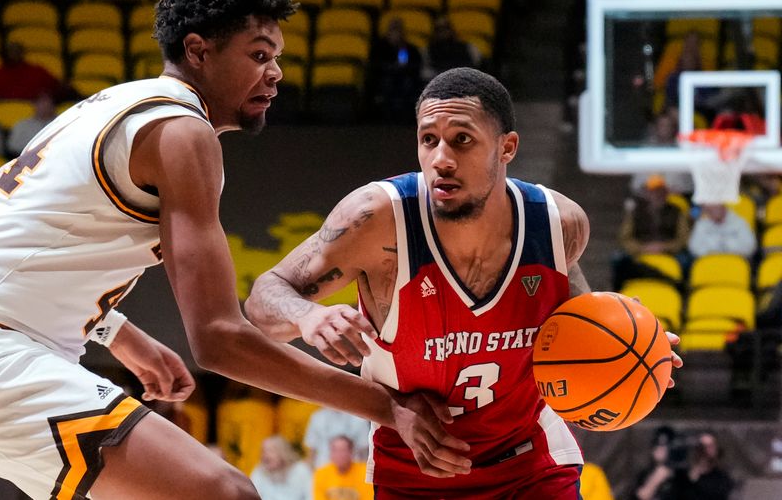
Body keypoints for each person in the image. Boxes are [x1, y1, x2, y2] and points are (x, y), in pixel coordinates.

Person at [0, 0, 469, 499]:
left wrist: (119, 333)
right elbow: (218, 340)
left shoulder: (110, 105)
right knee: (224, 494)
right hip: (0, 349)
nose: (276, 73)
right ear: (199, 51)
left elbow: (23, 247)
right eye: (259, 56)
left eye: (277, 58)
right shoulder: (182, 133)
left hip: (15, 340)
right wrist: (387, 405)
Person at [246, 67, 683, 498]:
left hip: (530, 466)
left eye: (462, 140)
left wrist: (633, 350)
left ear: (507, 146)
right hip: (414, 473)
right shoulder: (376, 220)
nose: (441, 159)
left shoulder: (557, 224)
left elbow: (578, 325)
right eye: (428, 140)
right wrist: (307, 316)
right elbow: (263, 298)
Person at [367, 16, 423, 122]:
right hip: (385, 78)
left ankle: (406, 117)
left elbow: (416, 66)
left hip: (406, 78)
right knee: (386, 84)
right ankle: (386, 117)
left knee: (408, 84)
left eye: (398, 30)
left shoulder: (410, 48)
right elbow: (374, 66)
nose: (396, 34)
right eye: (393, 30)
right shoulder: (379, 48)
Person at [0, 41, 65, 102]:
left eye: (16, 51)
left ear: (22, 53)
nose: (13, 54)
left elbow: (56, 87)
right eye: (10, 52)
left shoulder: (38, 71)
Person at [668, 431, 734, 500]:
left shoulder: (722, 478)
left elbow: (715, 493)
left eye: (710, 446)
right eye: (701, 446)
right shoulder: (681, 475)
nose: (704, 450)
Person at [304, 407, 370, 469]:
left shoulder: (359, 418)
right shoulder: (317, 418)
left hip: (353, 472)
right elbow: (312, 451)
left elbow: (364, 452)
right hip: (324, 469)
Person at [250, 435, 312, 500]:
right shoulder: (259, 472)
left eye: (270, 451)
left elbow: (310, 496)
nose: (265, 456)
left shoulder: (301, 471)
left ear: (283, 452)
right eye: (263, 451)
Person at [312, 436, 373, 500]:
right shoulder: (321, 474)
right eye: (335, 450)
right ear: (330, 453)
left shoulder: (365, 472)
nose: (339, 454)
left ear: (351, 452)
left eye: (343, 450)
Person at [687, 202, 756, 258]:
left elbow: (750, 247)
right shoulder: (701, 224)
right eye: (709, 211)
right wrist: (712, 252)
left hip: (735, 263)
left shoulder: (740, 222)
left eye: (715, 209)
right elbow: (693, 247)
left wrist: (728, 249)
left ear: (723, 207)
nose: (711, 213)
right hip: (709, 262)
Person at [422, 16, 481, 81]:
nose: (443, 32)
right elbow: (426, 73)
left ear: (451, 30)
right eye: (439, 29)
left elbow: (477, 66)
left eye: (445, 28)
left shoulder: (468, 47)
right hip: (440, 83)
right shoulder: (428, 51)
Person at [629, 426, 680, 500]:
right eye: (657, 444)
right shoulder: (644, 474)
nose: (660, 449)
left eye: (665, 445)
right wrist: (656, 479)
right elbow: (639, 496)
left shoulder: (680, 477)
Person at [5, 90, 57, 158]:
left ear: (53, 105)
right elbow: (13, 149)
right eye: (40, 102)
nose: (44, 105)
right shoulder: (21, 125)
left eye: (47, 102)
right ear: (34, 104)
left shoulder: (61, 124)